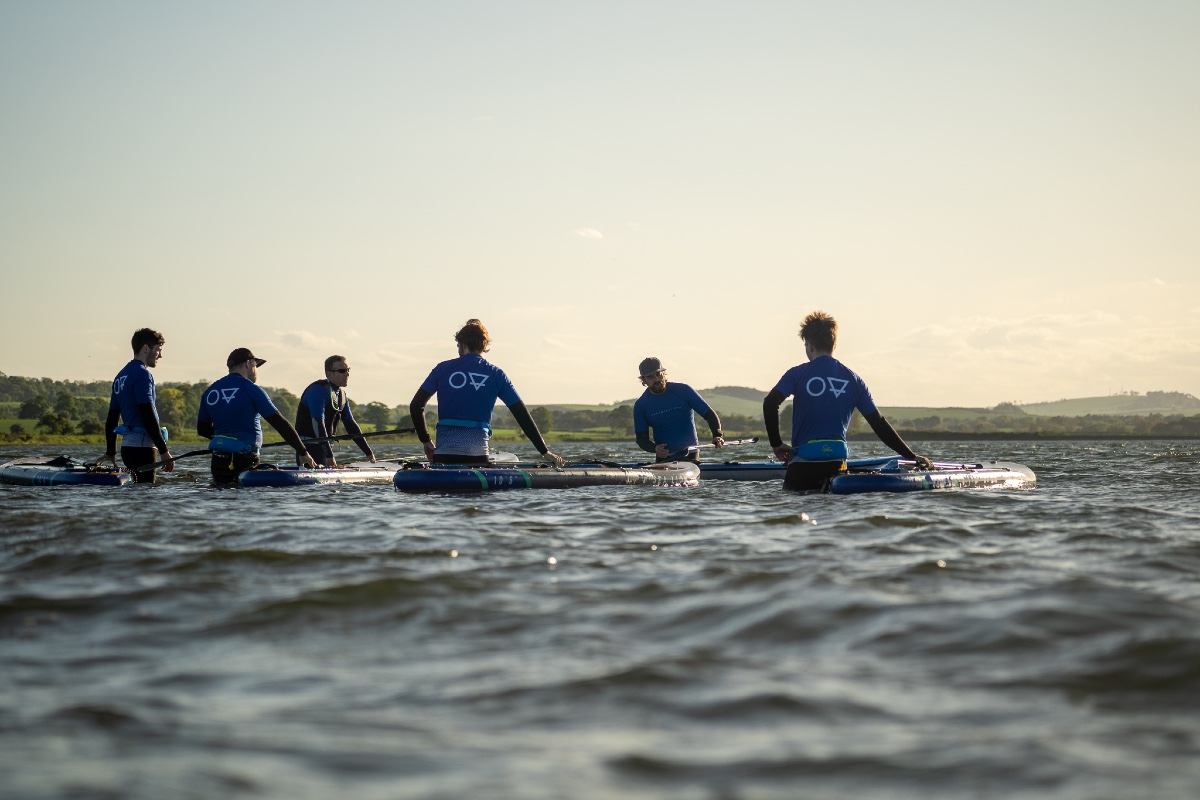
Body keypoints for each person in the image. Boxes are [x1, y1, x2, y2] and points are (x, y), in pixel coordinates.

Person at [763, 311, 934, 492]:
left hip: (802, 466)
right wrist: (911, 456)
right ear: (834, 344)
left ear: (809, 345)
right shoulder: (853, 379)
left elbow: (770, 403)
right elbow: (879, 424)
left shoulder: (797, 374)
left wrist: (776, 444)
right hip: (836, 465)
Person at [409, 319, 563, 466]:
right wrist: (544, 451)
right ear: (483, 346)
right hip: (478, 458)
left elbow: (416, 406)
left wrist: (426, 442)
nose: (458, 350)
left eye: (457, 345)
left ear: (462, 344)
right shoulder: (497, 374)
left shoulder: (442, 369)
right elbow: (521, 414)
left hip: (444, 458)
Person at [196, 348, 317, 485]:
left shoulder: (210, 392)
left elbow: (202, 429)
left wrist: (228, 441)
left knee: (222, 489)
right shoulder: (252, 389)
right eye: (256, 366)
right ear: (249, 363)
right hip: (246, 457)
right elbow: (279, 423)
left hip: (219, 458)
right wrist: (303, 451)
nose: (256, 370)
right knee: (243, 493)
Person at [98, 327, 175, 483]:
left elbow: (112, 418)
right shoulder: (143, 374)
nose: (160, 355)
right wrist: (164, 451)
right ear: (146, 348)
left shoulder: (121, 376)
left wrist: (111, 451)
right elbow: (147, 413)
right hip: (143, 449)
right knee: (146, 499)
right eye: (158, 350)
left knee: (135, 496)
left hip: (127, 448)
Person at [633, 357, 724, 463]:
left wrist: (717, 436)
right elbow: (641, 439)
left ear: (664, 373)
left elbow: (709, 415)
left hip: (690, 455)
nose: (657, 379)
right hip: (664, 460)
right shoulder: (641, 405)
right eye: (651, 377)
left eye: (658, 374)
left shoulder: (684, 391)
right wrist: (655, 449)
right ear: (644, 380)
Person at [296, 355, 375, 467]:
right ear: (328, 373)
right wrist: (329, 456)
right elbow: (318, 423)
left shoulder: (342, 395)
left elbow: (351, 426)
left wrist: (369, 454)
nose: (347, 374)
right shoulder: (318, 390)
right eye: (342, 371)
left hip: (326, 445)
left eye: (348, 370)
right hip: (309, 446)